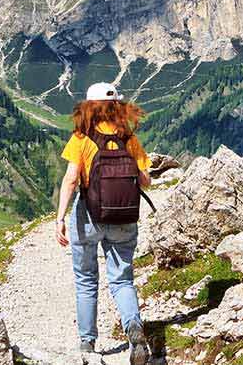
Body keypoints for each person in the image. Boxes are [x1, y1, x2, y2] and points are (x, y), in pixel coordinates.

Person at [55, 82, 152, 364]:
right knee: (122, 278)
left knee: (86, 279)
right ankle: (133, 328)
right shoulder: (128, 138)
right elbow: (145, 180)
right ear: (117, 106)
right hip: (124, 217)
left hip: (88, 216)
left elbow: (72, 179)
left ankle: (87, 344)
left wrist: (60, 217)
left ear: (89, 107)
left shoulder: (81, 137)